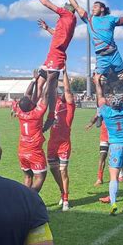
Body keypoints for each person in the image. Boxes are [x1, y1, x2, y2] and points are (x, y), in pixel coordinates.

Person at [26, 0, 77, 132]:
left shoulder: (67, 15)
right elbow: (58, 35)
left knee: (49, 88)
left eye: (65, 7)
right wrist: (47, 28)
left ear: (68, 10)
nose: (62, 8)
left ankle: (50, 117)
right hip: (51, 56)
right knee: (40, 83)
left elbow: (47, 3)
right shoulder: (68, 21)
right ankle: (32, 109)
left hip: (57, 55)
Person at [95, 72, 123, 215]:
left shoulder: (106, 112)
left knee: (113, 177)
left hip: (115, 145)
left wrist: (96, 81)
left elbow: (100, 97)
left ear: (111, 104)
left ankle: (113, 203)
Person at [47, 68, 75, 211]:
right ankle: (62, 191)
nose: (65, 94)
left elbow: (68, 91)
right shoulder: (56, 102)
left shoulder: (70, 107)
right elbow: (51, 91)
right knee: (54, 170)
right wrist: (52, 76)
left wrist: (64, 73)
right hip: (52, 143)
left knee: (63, 170)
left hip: (64, 144)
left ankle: (65, 199)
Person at [16, 73, 49, 192]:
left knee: (28, 176)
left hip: (22, 151)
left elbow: (27, 95)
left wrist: (33, 79)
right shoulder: (36, 114)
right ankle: (31, 199)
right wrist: (50, 78)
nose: (32, 100)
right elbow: (45, 94)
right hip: (34, 151)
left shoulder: (20, 111)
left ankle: (24, 200)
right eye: (31, 101)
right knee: (40, 176)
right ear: (30, 106)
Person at [85, 112, 109, 186]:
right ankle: (99, 178)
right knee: (102, 157)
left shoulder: (117, 108)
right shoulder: (103, 108)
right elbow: (96, 115)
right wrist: (90, 123)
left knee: (116, 157)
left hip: (115, 137)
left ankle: (121, 175)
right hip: (104, 137)